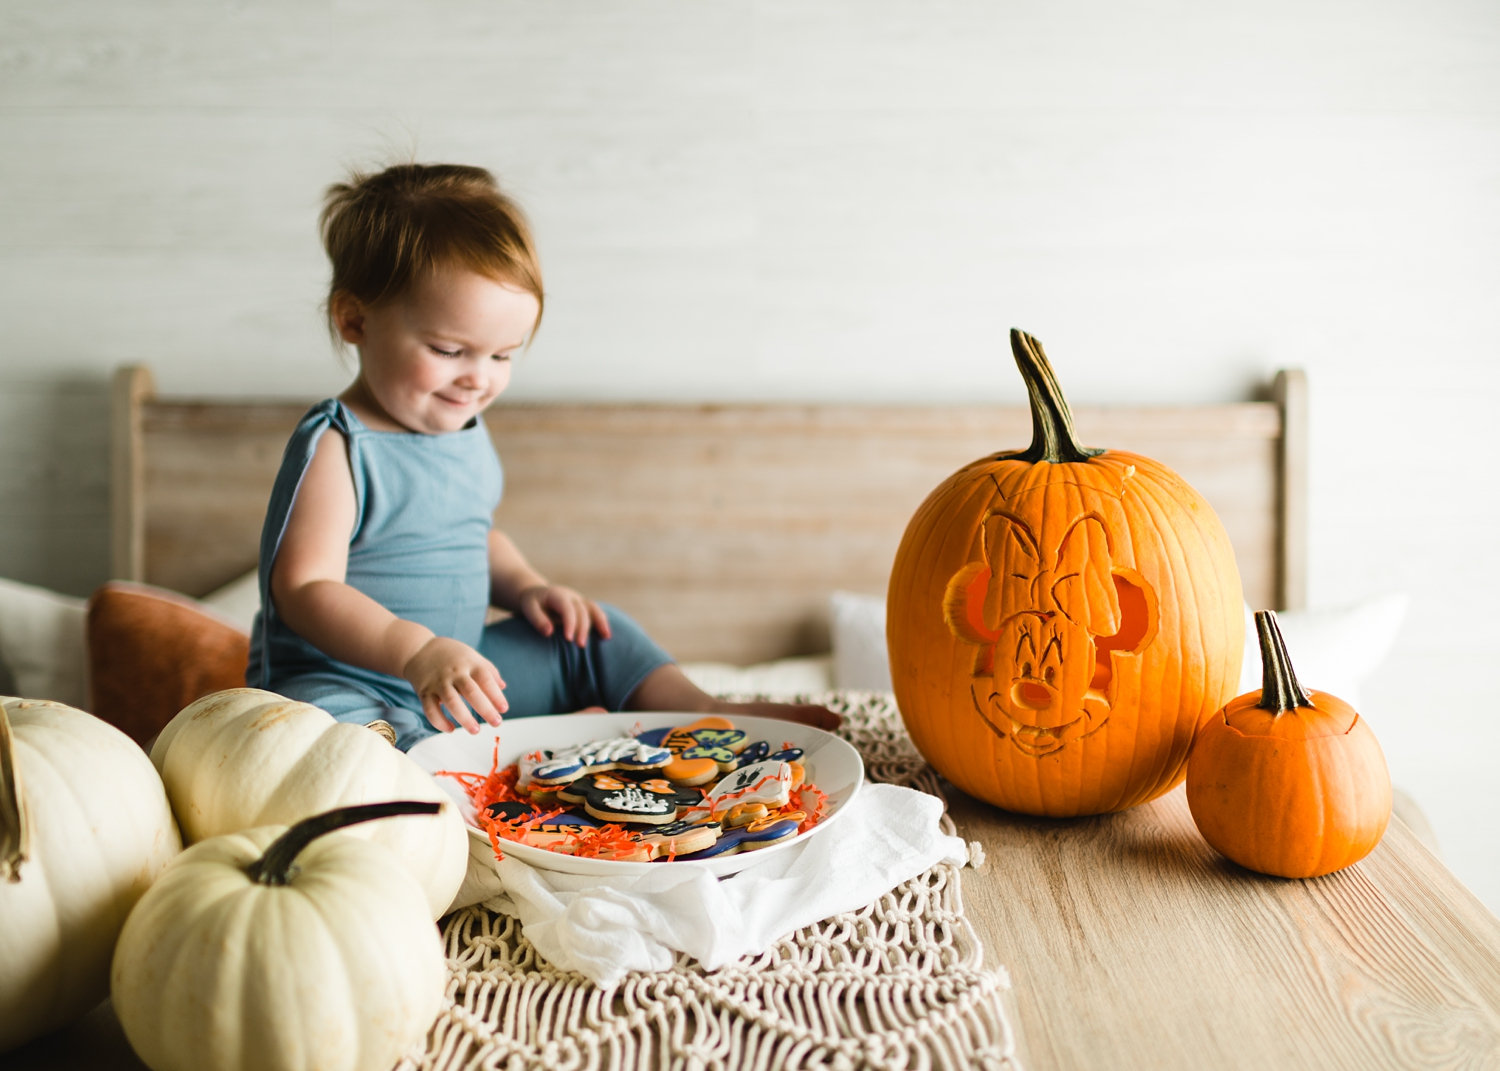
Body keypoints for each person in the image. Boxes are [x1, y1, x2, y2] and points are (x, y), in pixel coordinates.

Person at [248, 162, 838, 750]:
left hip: (456, 673)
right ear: (354, 319)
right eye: (450, 350)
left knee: (590, 632)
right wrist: (416, 651)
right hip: (349, 680)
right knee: (331, 734)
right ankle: (435, 755)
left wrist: (529, 588)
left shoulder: (463, 429)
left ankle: (699, 712)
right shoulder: (338, 443)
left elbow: (474, 537)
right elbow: (305, 587)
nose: (477, 380)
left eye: (503, 356)